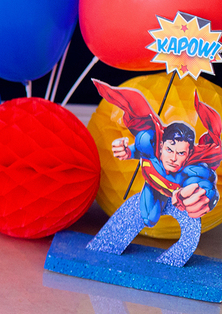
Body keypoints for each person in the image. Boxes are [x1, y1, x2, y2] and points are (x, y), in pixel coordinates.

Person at [86, 80, 221, 266]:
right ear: (160, 146)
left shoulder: (190, 172)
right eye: (170, 150)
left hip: (175, 200)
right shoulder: (148, 145)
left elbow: (206, 182)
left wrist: (205, 196)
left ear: (189, 154)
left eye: (181, 153)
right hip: (152, 188)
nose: (173, 157)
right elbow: (138, 150)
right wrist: (127, 152)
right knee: (149, 217)